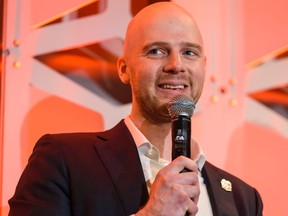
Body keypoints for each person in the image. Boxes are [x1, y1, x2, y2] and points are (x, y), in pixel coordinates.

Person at [9, 2, 263, 216]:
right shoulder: (63, 161)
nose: (176, 65)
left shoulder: (244, 199)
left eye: (189, 52)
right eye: (157, 51)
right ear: (123, 69)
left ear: (204, 67)